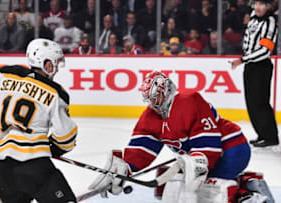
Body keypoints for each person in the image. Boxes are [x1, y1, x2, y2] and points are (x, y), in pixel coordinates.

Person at [89, 71, 252, 202]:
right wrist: (126, 168)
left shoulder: (189, 101)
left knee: (209, 191)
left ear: (166, 91)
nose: (152, 102)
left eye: (155, 97)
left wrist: (198, 162)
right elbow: (142, 148)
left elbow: (207, 141)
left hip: (231, 149)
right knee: (177, 186)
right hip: (200, 156)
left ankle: (247, 197)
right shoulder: (150, 116)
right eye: (149, 99)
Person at [0, 38, 77, 203]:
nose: (56, 69)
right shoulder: (55, 93)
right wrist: (55, 148)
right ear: (47, 65)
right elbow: (66, 136)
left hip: (0, 167)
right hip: (34, 167)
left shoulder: (5, 74)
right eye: (55, 64)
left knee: (14, 199)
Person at [231, 0, 279, 147]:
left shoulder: (270, 22)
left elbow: (266, 50)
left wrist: (243, 59)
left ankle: (270, 137)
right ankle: (261, 134)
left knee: (260, 102)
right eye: (256, 4)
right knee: (251, 102)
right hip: (251, 65)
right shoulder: (253, 16)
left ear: (268, 6)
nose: (257, 7)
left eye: (262, 4)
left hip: (261, 66)